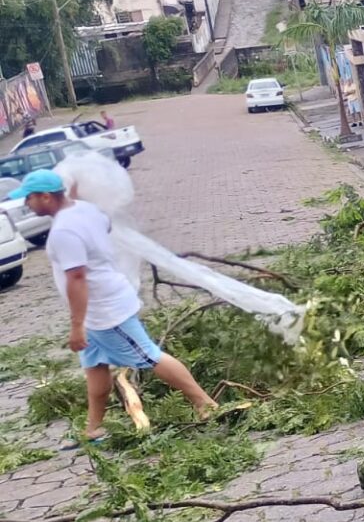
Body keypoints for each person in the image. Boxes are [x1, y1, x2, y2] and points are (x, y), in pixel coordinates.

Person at [9, 169, 218, 448]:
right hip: (96, 311)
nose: (27, 204)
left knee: (148, 355)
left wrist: (76, 326)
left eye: (29, 198)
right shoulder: (85, 209)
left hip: (106, 311)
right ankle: (94, 428)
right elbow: (105, 226)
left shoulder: (63, 232)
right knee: (95, 366)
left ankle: (205, 404)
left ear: (46, 197)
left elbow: (77, 278)